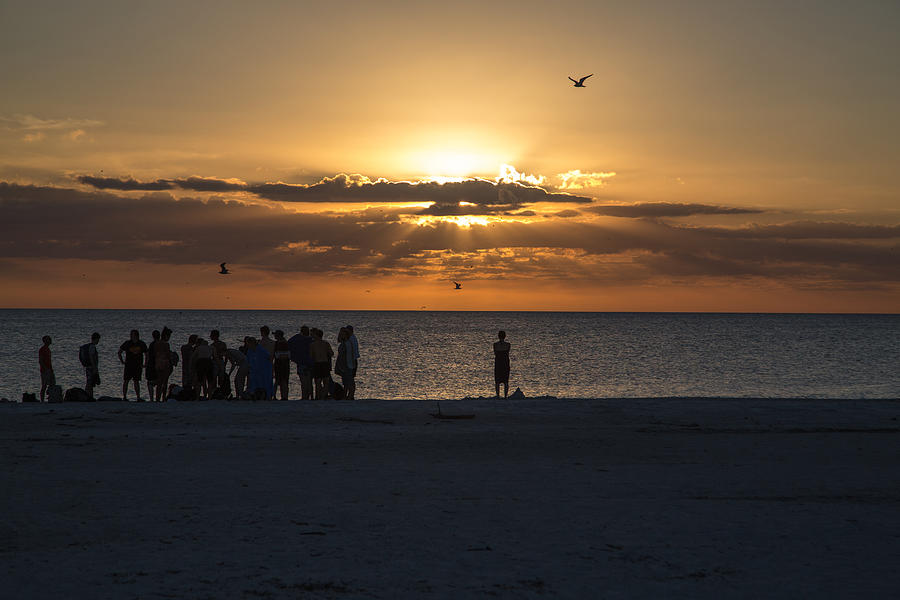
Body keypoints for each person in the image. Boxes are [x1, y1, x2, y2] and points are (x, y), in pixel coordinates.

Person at [118, 329, 147, 401]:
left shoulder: (141, 344)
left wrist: (145, 364)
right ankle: (124, 397)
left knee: (136, 381)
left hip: (138, 365)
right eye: (131, 335)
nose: (131, 336)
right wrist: (122, 361)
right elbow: (119, 352)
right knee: (126, 380)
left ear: (137, 335)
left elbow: (147, 354)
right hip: (128, 365)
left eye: (133, 335)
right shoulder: (127, 343)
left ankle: (138, 397)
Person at [288, 325, 314, 400]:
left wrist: (293, 357)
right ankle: (311, 396)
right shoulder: (311, 340)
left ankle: (304, 397)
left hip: (301, 363)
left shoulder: (297, 338)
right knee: (309, 381)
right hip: (309, 363)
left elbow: (289, 343)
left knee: (303, 381)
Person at [309, 328, 333, 400]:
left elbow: (311, 356)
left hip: (317, 364)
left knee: (318, 382)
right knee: (326, 382)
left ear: (316, 335)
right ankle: (324, 395)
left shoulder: (312, 344)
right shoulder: (326, 343)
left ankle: (318, 396)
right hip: (325, 364)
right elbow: (331, 353)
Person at [334, 328, 356, 400]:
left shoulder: (347, 344)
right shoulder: (346, 343)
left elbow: (345, 356)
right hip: (347, 365)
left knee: (349, 383)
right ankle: (347, 397)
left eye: (342, 334)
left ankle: (350, 397)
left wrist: (342, 366)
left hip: (347, 366)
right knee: (346, 383)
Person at [154, 327, 173, 402]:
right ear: (166, 336)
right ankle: (163, 398)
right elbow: (168, 355)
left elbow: (155, 353)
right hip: (165, 363)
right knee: (165, 382)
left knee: (159, 382)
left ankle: (157, 398)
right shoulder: (166, 344)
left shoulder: (156, 343)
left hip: (158, 363)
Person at [80, 332, 101, 398]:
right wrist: (94, 368)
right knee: (90, 382)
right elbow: (91, 357)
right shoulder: (92, 347)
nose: (98, 341)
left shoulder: (88, 346)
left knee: (90, 382)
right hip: (91, 367)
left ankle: (89, 396)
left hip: (88, 366)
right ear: (96, 339)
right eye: (98, 339)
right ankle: (88, 396)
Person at [273, 330, 291, 401]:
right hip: (285, 364)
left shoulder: (277, 344)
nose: (274, 336)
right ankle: (284, 396)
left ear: (278, 336)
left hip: (279, 364)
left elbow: (277, 355)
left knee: (278, 380)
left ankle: (275, 395)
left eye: (275, 335)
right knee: (284, 380)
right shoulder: (286, 343)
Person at [493, 330, 511, 399]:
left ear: (498, 336)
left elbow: (495, 353)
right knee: (506, 381)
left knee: (497, 381)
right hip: (505, 363)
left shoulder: (495, 345)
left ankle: (498, 396)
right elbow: (507, 353)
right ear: (505, 336)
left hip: (498, 364)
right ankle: (505, 396)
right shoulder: (508, 345)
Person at [345, 325, 360, 399]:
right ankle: (351, 394)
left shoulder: (351, 339)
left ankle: (351, 395)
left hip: (352, 361)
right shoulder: (352, 338)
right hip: (353, 360)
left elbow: (352, 352)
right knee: (350, 379)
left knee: (350, 379)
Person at [39, 336, 55, 402]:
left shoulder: (48, 349)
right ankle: (42, 400)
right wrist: (44, 368)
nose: (50, 341)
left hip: (49, 369)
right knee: (44, 385)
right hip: (45, 370)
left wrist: (51, 369)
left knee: (52, 384)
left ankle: (51, 397)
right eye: (48, 340)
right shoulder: (42, 349)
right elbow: (41, 360)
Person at [146, 330, 161, 401]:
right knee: (159, 381)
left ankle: (151, 398)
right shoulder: (162, 343)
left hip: (152, 364)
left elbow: (148, 355)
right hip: (159, 363)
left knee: (150, 382)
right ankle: (159, 398)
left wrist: (146, 364)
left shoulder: (152, 344)